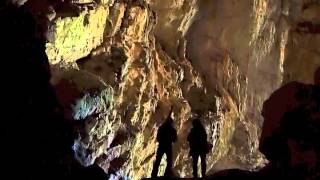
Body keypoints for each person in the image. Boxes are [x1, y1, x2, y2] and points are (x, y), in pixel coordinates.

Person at [151, 109, 177, 177]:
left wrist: (161, 140)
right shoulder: (172, 130)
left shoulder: (162, 127)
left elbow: (158, 137)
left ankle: (154, 175)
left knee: (158, 161)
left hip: (162, 146)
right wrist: (170, 139)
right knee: (169, 161)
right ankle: (167, 174)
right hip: (168, 146)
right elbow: (175, 139)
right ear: (171, 123)